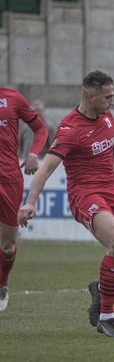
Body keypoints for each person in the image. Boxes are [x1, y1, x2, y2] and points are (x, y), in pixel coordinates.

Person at [18, 70, 114, 337]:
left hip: (113, 191)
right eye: (108, 97)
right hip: (86, 196)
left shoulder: (104, 115)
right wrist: (29, 202)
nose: (112, 102)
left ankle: (101, 287)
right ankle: (106, 318)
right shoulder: (70, 129)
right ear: (91, 96)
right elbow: (45, 169)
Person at [0, 87, 48, 312]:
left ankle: (2, 284)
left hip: (9, 179)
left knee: (8, 246)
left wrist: (33, 152)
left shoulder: (13, 98)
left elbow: (40, 129)